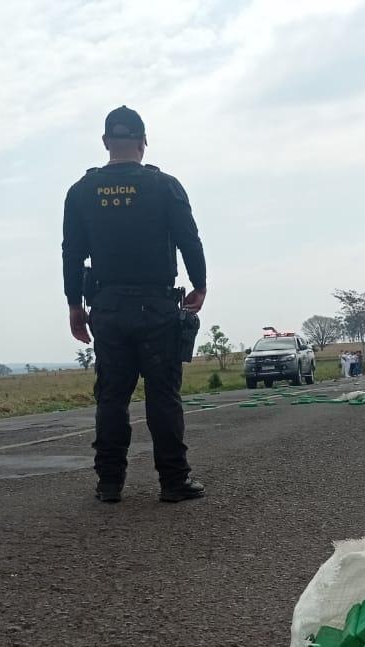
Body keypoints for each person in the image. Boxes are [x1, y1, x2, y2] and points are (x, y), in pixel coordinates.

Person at [62, 105, 207, 504]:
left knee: (111, 397)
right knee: (162, 396)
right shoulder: (165, 186)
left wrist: (75, 305)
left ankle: (109, 482)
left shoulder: (80, 191)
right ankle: (173, 481)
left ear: (107, 142)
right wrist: (200, 284)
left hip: (107, 309)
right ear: (144, 142)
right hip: (157, 308)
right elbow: (189, 240)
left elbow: (72, 254)